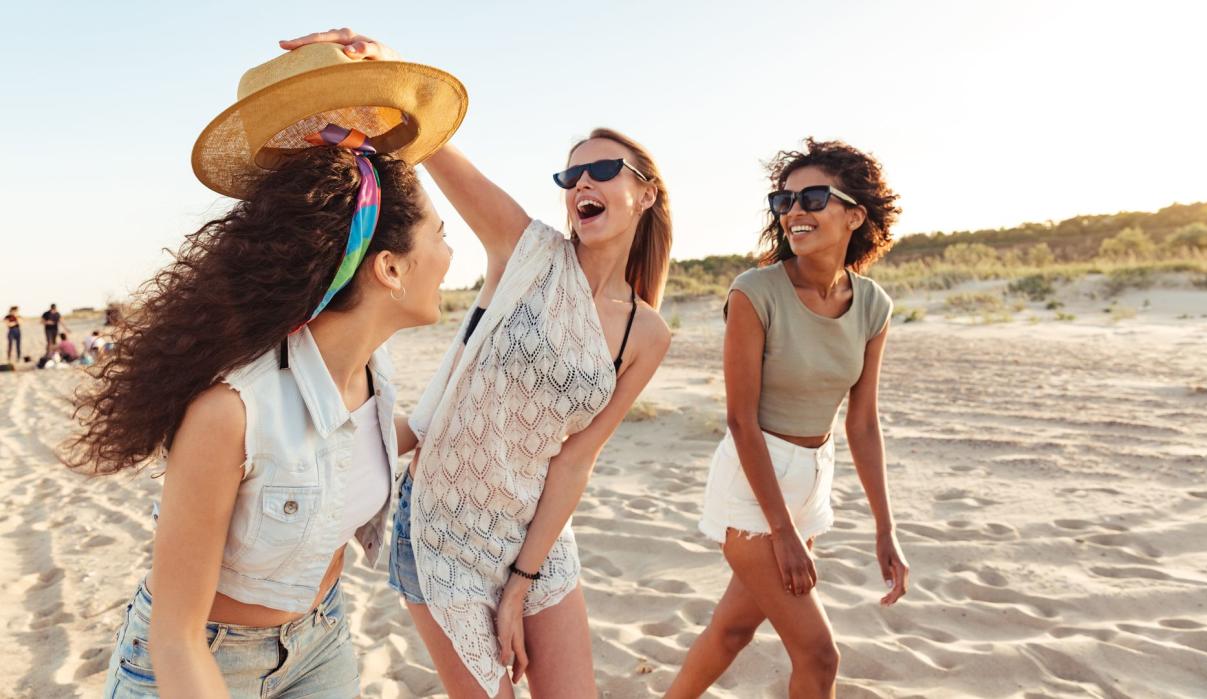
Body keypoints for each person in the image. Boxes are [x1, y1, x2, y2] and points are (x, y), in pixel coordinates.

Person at [281, 28, 675, 699]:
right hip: (440, 527)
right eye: (571, 173)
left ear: (644, 194)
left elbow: (575, 461)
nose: (582, 180)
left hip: (537, 539)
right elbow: (430, 145)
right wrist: (381, 72)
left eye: (603, 169)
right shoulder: (524, 250)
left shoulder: (647, 333)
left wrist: (522, 581)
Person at [66, 42, 467, 696]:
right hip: (204, 660)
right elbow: (176, 634)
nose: (452, 256)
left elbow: (353, 437)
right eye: (440, 236)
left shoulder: (372, 368)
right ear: (389, 267)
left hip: (322, 640)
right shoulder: (230, 411)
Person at [666, 139, 910, 699]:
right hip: (755, 485)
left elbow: (863, 425)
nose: (795, 211)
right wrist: (783, 533)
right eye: (785, 200)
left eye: (814, 197)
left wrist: (885, 528)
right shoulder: (756, 292)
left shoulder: (873, 305)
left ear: (855, 214)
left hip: (812, 480)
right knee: (820, 655)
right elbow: (740, 420)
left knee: (731, 630)